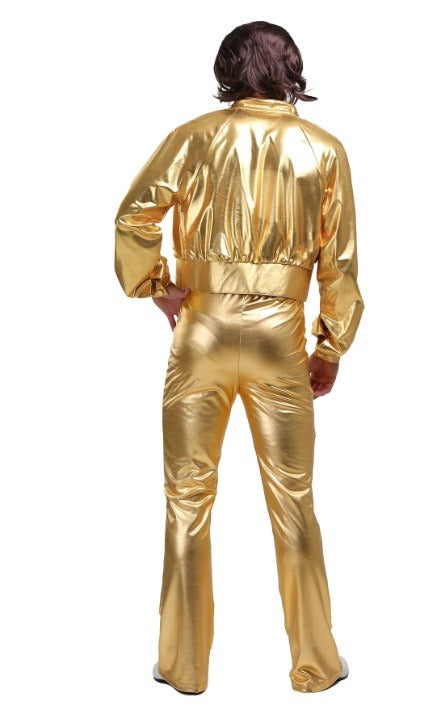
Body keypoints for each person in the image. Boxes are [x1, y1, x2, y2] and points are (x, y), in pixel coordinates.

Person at [114, 20, 365, 695]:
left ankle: (182, 666)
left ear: (227, 69)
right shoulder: (324, 150)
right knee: (293, 500)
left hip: (200, 330)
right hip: (280, 339)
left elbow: (133, 216)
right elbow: (339, 264)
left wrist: (158, 289)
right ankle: (317, 664)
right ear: (292, 68)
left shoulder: (193, 138)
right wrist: (330, 346)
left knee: (187, 498)